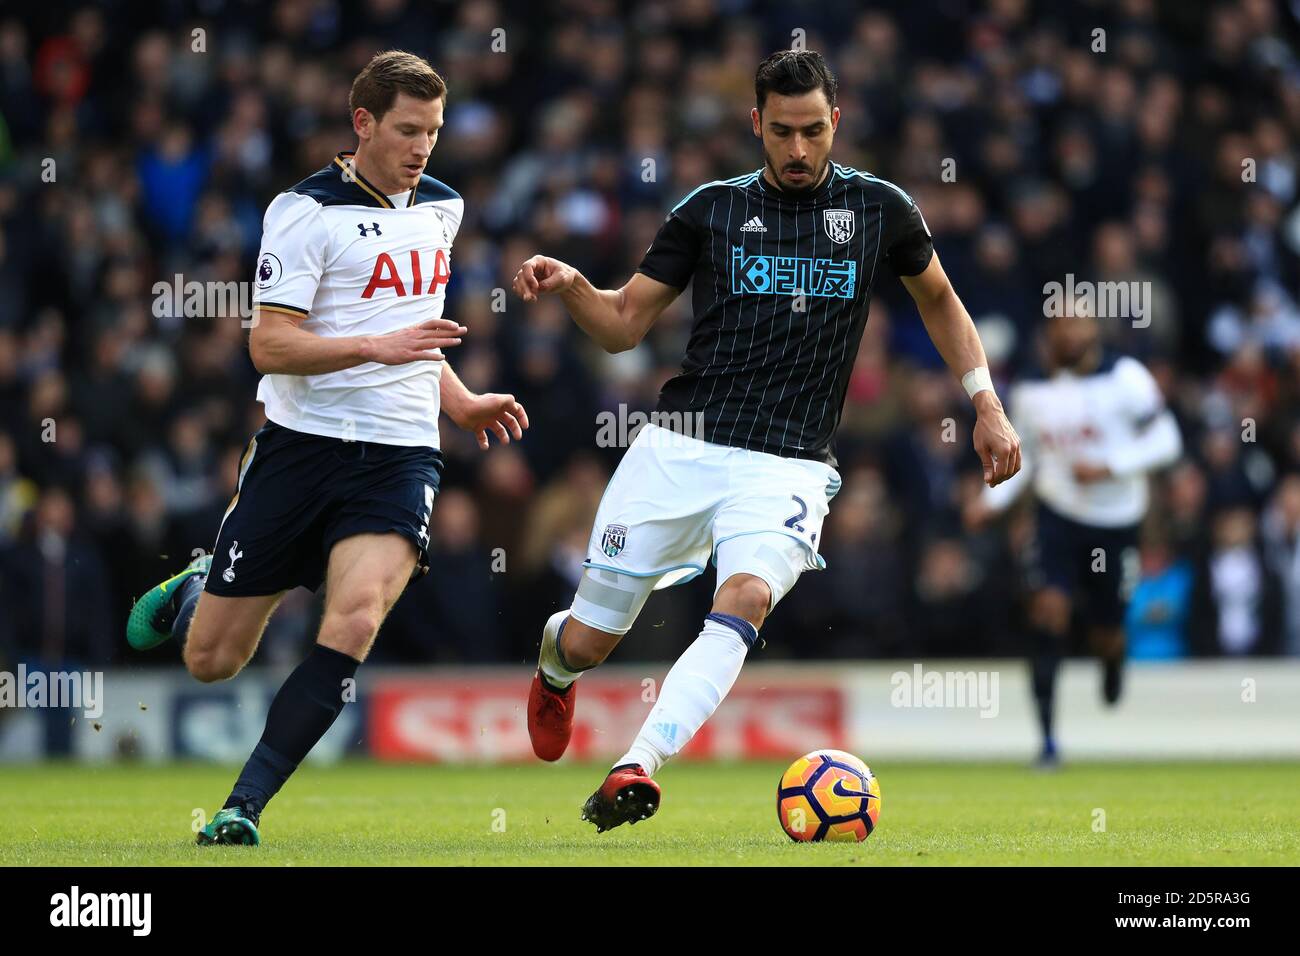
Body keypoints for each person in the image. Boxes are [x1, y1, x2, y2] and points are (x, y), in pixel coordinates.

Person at [512, 49, 1020, 831]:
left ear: (835, 124)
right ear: (755, 124)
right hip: (681, 448)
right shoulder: (708, 211)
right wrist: (576, 285)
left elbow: (943, 302)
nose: (797, 150)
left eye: (814, 131)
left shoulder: (880, 209)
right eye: (781, 132)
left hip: (788, 465)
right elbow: (621, 326)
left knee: (744, 597)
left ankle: (636, 765)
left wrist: (985, 402)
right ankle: (554, 665)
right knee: (588, 643)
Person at [125, 50, 527, 845]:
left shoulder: (442, 208)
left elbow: (419, 337)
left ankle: (242, 807)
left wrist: (461, 401)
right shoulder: (303, 211)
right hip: (300, 448)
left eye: (435, 132)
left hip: (400, 453)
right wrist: (375, 347)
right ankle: (204, 584)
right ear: (363, 122)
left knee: (355, 617)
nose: (423, 147)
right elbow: (270, 347)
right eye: (408, 129)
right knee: (212, 661)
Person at [966, 307, 1182, 767]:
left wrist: (1110, 466)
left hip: (1117, 520)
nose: (1068, 331)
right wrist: (991, 503)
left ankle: (1111, 660)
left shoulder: (1126, 378)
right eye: (1059, 323)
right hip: (1057, 516)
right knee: (1047, 611)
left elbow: (1167, 439)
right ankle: (1046, 742)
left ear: (1094, 328)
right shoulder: (1030, 388)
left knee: (1107, 631)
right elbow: (1028, 460)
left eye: (1077, 321)